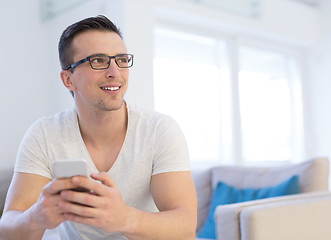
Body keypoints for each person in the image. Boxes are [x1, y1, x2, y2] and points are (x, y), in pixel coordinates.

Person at [0, 15, 197, 240]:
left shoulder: (160, 130)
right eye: (99, 60)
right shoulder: (44, 134)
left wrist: (125, 219)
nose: (115, 71)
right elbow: (7, 228)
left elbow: (186, 227)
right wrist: (36, 216)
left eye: (121, 59)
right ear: (68, 80)